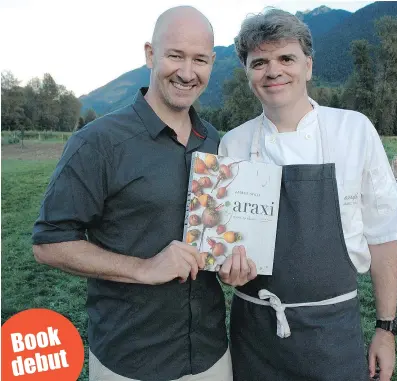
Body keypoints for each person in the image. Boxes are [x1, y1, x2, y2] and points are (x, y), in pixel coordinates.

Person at [32, 7, 255, 381]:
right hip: (131, 362)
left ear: (212, 62)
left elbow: (217, 238)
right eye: (175, 55)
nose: (187, 72)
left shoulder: (219, 144)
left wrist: (230, 266)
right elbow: (48, 242)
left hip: (211, 356)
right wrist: (144, 268)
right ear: (150, 54)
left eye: (199, 59)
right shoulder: (98, 143)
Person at [219, 9, 397, 381]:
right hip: (254, 333)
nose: (273, 71)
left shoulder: (353, 130)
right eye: (259, 62)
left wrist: (386, 329)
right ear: (247, 72)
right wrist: (229, 270)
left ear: (309, 65)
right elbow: (226, 245)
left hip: (333, 331)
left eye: (286, 58)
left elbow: (383, 235)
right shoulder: (233, 143)